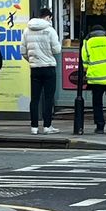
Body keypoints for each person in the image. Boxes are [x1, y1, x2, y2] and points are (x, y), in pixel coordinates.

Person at [20, 7, 62, 135]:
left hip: (35, 68)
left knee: (35, 98)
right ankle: (47, 126)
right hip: (48, 67)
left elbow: (23, 51)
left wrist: (33, 60)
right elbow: (57, 50)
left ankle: (34, 127)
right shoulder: (50, 30)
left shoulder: (27, 30)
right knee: (48, 98)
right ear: (48, 17)